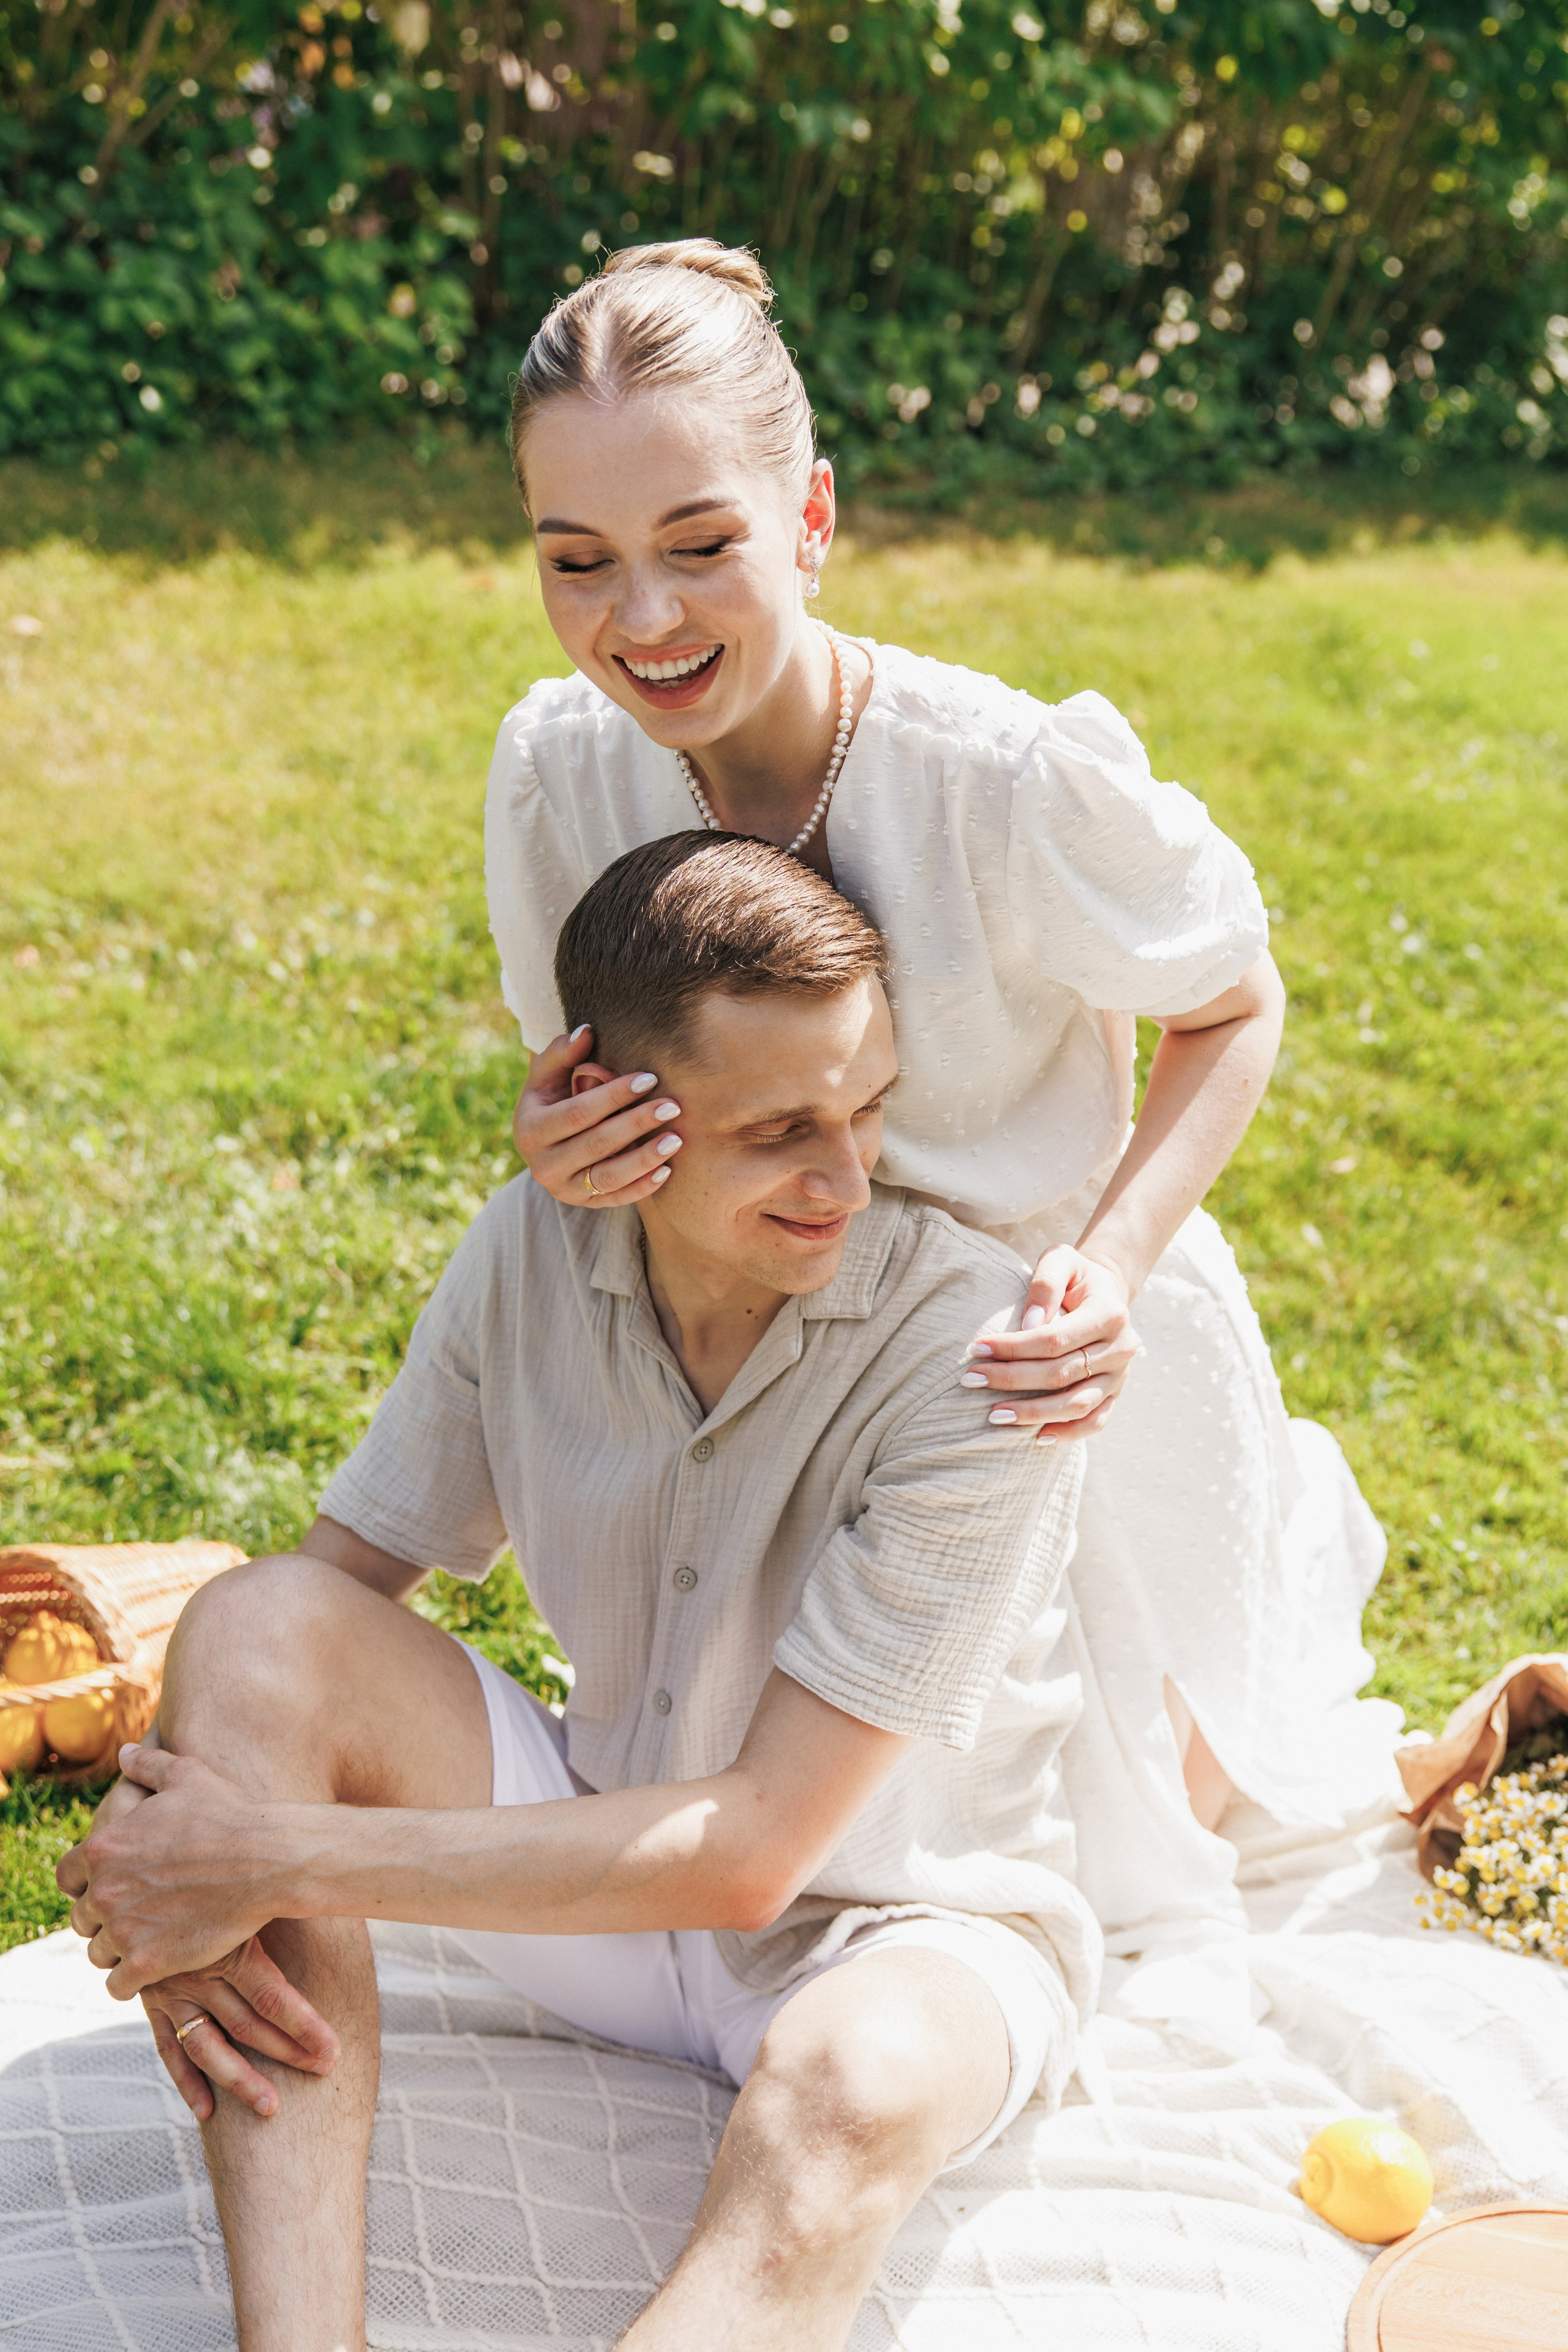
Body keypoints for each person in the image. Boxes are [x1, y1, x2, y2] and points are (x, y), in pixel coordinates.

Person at [62, 834, 1100, 2352]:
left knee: (852, 2093)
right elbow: (307, 1620)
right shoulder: (528, 1252)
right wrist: (185, 1872)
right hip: (607, 1867)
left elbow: (754, 1857)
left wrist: (256, 1860)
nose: (846, 1176)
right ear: (621, 1109)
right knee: (254, 1619)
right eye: (778, 1131)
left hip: (894, 1924)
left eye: (868, 1110)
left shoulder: (981, 1361)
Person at [488, 238, 1401, 1948]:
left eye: (702, 547)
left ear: (814, 519)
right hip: (768, 1374)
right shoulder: (559, 775)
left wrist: (1110, 1275)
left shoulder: (1005, 780)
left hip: (1032, 1369)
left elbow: (1237, 996)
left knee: (1088, 1893)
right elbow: (597, 1067)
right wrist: (564, 1141)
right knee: (759, 1865)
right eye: (577, 560)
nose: (645, 619)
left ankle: (1229, 1604)